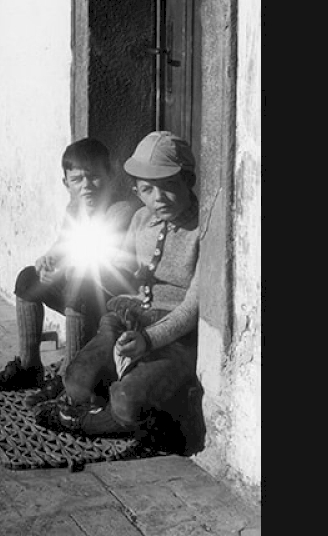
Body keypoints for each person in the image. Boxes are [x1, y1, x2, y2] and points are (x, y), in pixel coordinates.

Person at [34, 130, 203, 451]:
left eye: (169, 187)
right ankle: (121, 399)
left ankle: (89, 420)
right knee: (76, 380)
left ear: (188, 181)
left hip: (173, 339)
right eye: (147, 189)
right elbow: (121, 272)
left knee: (126, 402)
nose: (158, 199)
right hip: (126, 321)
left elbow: (193, 307)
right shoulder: (141, 218)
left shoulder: (202, 230)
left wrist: (149, 340)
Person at [0, 137, 140, 407]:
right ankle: (29, 367)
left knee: (77, 285)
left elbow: (97, 258)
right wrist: (48, 260)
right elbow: (65, 244)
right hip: (82, 289)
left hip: (112, 300)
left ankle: (71, 379)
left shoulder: (122, 211)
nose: (86, 186)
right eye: (77, 179)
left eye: (94, 177)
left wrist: (63, 269)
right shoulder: (75, 209)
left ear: (110, 175)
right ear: (65, 183)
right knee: (28, 279)